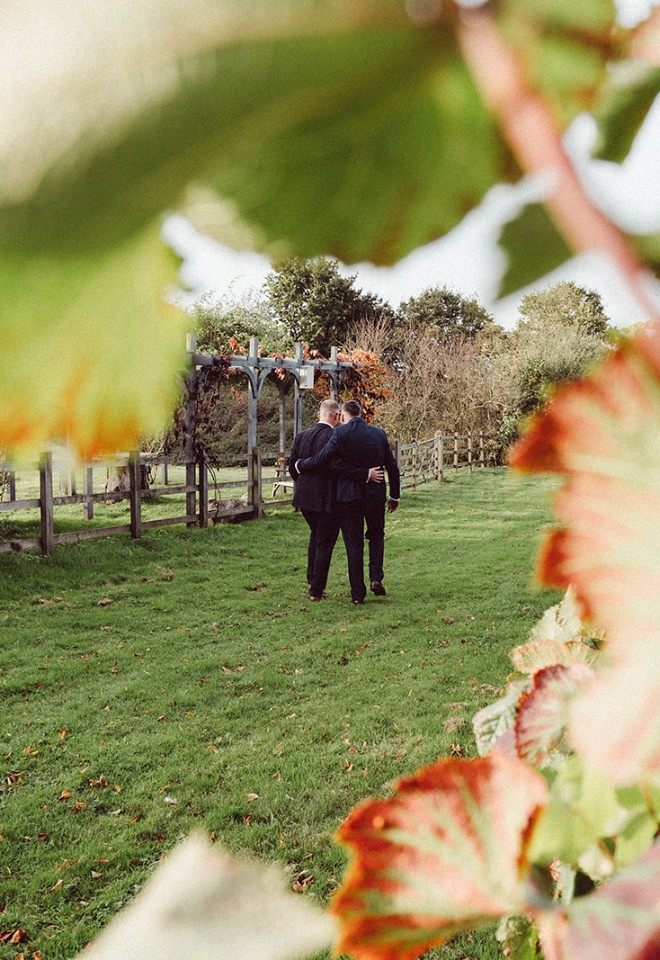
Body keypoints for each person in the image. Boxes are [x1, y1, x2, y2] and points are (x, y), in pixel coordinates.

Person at [295, 399, 400, 605]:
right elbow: (392, 467)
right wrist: (394, 496)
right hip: (375, 495)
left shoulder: (339, 434)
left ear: (343, 415)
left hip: (349, 497)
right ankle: (376, 577)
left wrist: (301, 465)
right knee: (377, 535)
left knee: (354, 544)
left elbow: (326, 461)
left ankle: (357, 594)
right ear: (361, 414)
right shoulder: (379, 434)